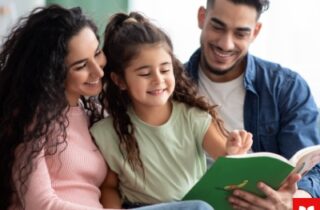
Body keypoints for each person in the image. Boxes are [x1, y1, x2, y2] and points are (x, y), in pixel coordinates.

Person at [0, 5, 215, 210]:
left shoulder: (94, 115)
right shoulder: (29, 119)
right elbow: (39, 204)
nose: (98, 71)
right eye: (81, 65)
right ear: (52, 71)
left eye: (96, 54)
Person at [90, 11, 253, 209]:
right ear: (120, 80)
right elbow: (109, 187)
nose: (158, 80)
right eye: (145, 73)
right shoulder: (108, 132)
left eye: (165, 70)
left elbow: (225, 157)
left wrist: (234, 152)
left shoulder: (193, 117)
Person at [184, 0, 320, 208]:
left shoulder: (286, 88)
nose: (225, 44)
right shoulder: (169, 87)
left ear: (255, 31)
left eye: (240, 34)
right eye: (217, 27)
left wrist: (293, 202)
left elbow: (315, 173)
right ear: (202, 17)